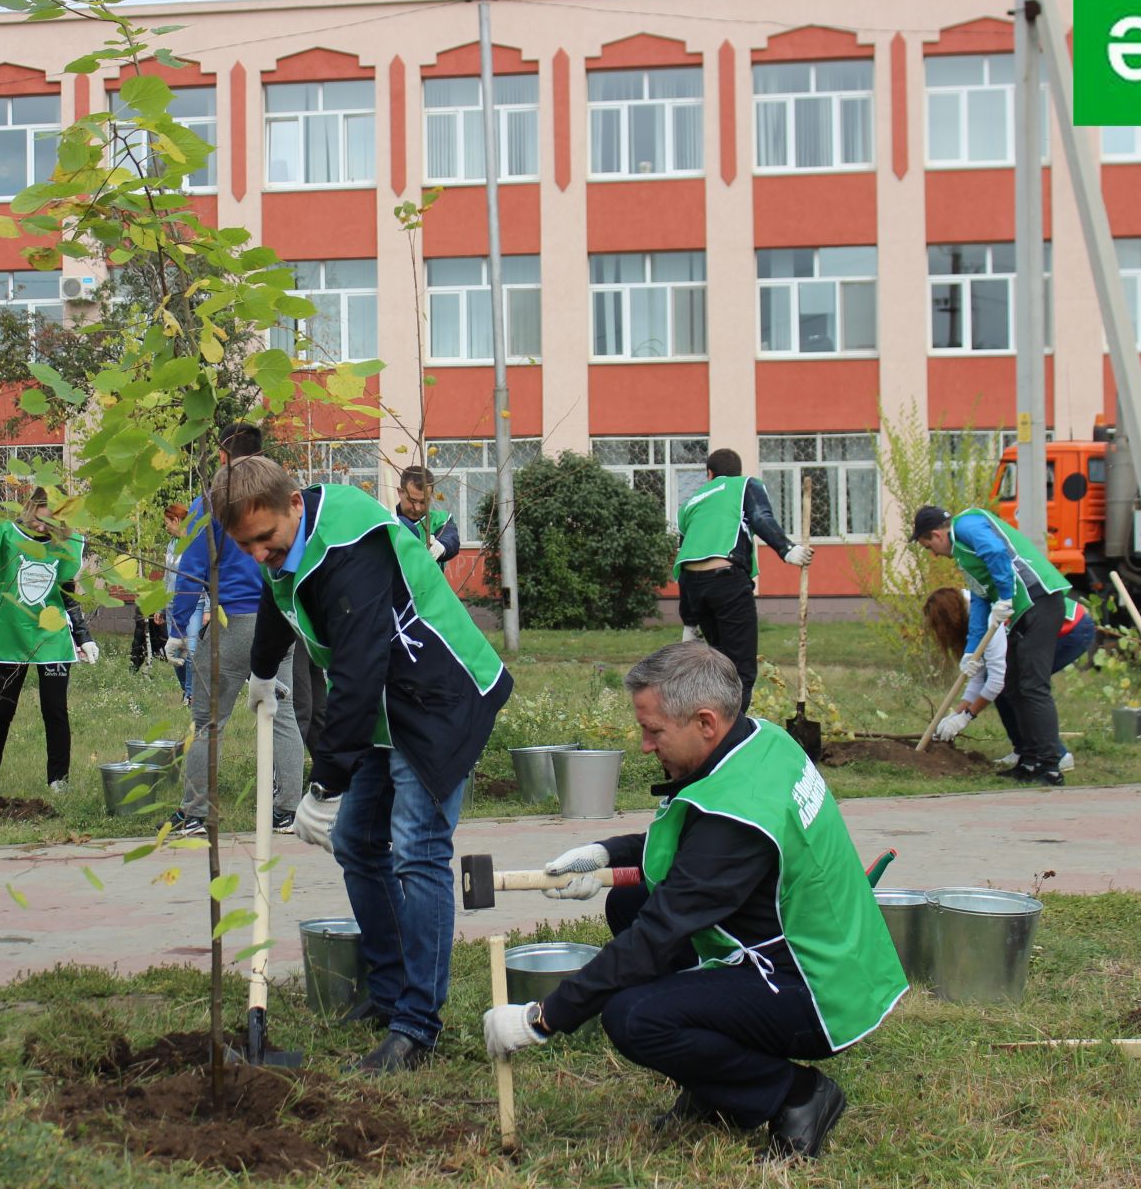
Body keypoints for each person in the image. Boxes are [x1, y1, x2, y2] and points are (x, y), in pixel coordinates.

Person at [482, 643, 906, 1162]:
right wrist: (605, 854)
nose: (643, 745)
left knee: (634, 1017)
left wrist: (542, 1018)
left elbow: (661, 931)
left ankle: (795, 1096)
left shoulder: (738, 817)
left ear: (705, 721)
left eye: (653, 730)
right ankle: (715, 1078)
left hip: (819, 989)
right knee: (627, 904)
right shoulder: (761, 741)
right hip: (835, 950)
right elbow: (697, 845)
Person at [216, 456, 513, 1074]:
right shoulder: (291, 540)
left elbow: (353, 674)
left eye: (264, 540)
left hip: (438, 696)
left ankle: (417, 1024)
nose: (258, 555)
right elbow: (280, 593)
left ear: (294, 504)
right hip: (387, 701)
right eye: (245, 546)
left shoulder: (350, 546)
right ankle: (388, 986)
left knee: (417, 846)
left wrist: (325, 783)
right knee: (357, 840)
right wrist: (264, 671)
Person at [162, 423, 305, 837]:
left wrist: (176, 628)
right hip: (282, 618)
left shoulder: (210, 503)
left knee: (208, 721)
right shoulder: (282, 499)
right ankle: (288, 810)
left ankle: (195, 813)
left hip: (234, 624)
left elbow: (191, 570)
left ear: (223, 455)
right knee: (282, 714)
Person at [0, 486, 98, 797]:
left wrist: (83, 636)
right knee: (0, 710)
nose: (42, 528)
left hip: (51, 637)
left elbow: (67, 595)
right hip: (9, 635)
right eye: (39, 521)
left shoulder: (67, 544)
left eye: (50, 524)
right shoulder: (3, 532)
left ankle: (59, 780)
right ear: (30, 509)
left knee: (55, 710)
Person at [911, 504, 1073, 785]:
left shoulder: (966, 526)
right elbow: (981, 603)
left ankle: (1050, 765)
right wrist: (972, 653)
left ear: (936, 535)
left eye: (928, 547)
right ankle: (1030, 760)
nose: (934, 554)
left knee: (1032, 685)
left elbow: (997, 553)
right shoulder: (964, 559)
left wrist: (1006, 596)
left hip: (1040, 600)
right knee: (1012, 686)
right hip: (1023, 611)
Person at [672, 449, 811, 714]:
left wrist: (689, 622)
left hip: (693, 588)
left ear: (709, 475)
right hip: (726, 581)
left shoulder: (690, 503)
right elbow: (760, 517)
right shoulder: (745, 484)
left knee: (717, 662)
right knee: (740, 670)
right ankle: (730, 733)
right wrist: (787, 550)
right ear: (738, 471)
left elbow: (686, 555)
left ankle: (708, 722)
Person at [923, 586, 1092, 771]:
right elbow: (978, 678)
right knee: (1013, 684)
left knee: (1025, 686)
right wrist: (954, 715)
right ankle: (1024, 750)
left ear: (950, 620)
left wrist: (966, 717)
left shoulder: (986, 617)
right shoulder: (970, 612)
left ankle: (1057, 755)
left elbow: (996, 681)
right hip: (1043, 628)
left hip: (1071, 630)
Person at [394, 465, 460, 573]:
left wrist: (442, 546)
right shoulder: (386, 520)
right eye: (412, 500)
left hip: (430, 589)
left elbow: (451, 538)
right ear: (400, 492)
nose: (417, 508)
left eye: (423, 502)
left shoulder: (440, 519)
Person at [160, 501, 195, 705]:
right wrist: (160, 606)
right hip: (172, 604)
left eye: (167, 522)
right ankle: (185, 690)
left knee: (191, 650)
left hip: (192, 604)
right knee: (174, 650)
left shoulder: (193, 542)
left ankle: (190, 695)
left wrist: (207, 608)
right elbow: (167, 576)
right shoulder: (172, 544)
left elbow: (203, 575)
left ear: (176, 520)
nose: (166, 527)